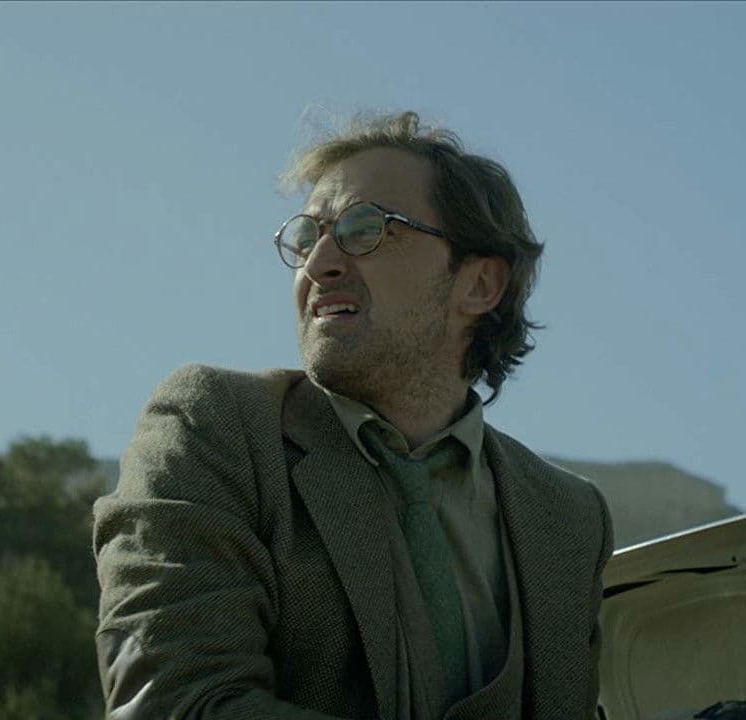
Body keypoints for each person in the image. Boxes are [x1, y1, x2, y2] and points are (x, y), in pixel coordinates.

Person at [93, 111, 614, 720]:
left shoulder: (568, 520)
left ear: (479, 284)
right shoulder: (216, 428)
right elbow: (175, 703)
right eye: (306, 238)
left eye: (365, 229)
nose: (319, 264)